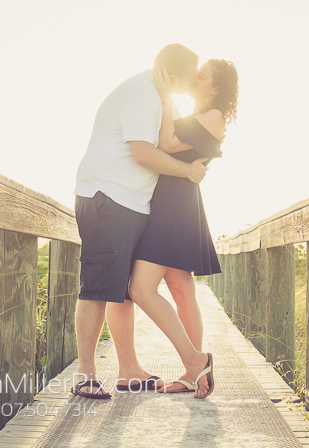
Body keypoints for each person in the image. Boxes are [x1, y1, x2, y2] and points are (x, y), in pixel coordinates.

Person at [72, 44, 211, 399]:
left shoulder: (157, 95)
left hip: (130, 203)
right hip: (108, 196)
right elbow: (143, 152)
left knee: (122, 291)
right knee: (98, 286)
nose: (190, 84)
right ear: (176, 76)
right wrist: (190, 173)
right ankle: (85, 374)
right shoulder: (141, 93)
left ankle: (129, 370)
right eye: (189, 77)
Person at [129, 59, 239, 399]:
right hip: (173, 199)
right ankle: (195, 374)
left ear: (216, 88)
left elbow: (167, 143)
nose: (195, 76)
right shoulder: (199, 114)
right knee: (178, 285)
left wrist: (163, 96)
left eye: (202, 75)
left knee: (141, 288)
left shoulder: (215, 115)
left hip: (174, 205)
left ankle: (196, 361)